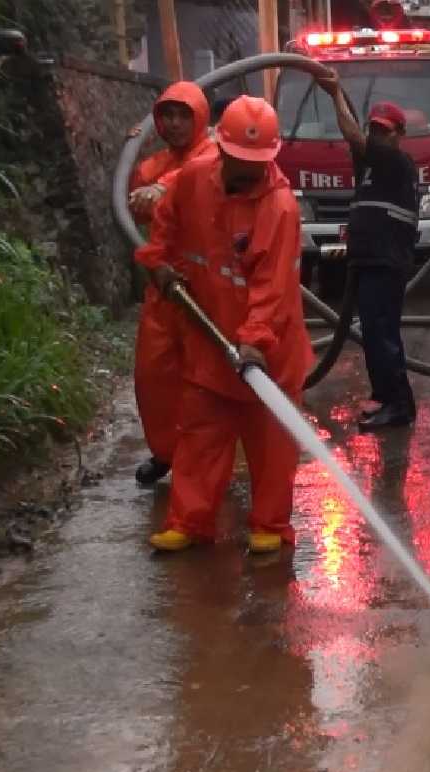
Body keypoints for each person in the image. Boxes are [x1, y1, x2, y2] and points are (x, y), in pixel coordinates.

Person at [134, 96, 313, 554]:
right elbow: (166, 221)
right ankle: (189, 523)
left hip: (267, 354)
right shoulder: (193, 179)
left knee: (272, 446)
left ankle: (269, 527)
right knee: (201, 438)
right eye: (240, 160)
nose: (250, 170)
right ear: (222, 149)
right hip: (211, 342)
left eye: (259, 162)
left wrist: (253, 345)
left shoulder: (280, 209)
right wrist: (158, 261)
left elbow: (271, 291)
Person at [316, 69, 419, 429]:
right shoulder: (372, 163)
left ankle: (397, 404)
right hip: (368, 256)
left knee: (380, 331)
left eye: (383, 131)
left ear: (400, 135)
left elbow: (353, 135)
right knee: (376, 331)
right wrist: (335, 89)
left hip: (384, 258)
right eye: (374, 129)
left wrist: (333, 94)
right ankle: (392, 398)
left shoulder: (397, 162)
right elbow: (355, 133)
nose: (375, 136)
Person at [126, 81, 214, 486]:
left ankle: (205, 460)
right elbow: (136, 207)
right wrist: (132, 166)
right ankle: (165, 453)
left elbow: (195, 177)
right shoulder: (156, 162)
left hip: (204, 286)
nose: (176, 123)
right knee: (153, 376)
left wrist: (162, 187)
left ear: (200, 118)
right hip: (162, 286)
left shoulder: (214, 153)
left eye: (184, 115)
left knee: (203, 380)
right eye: (168, 115)